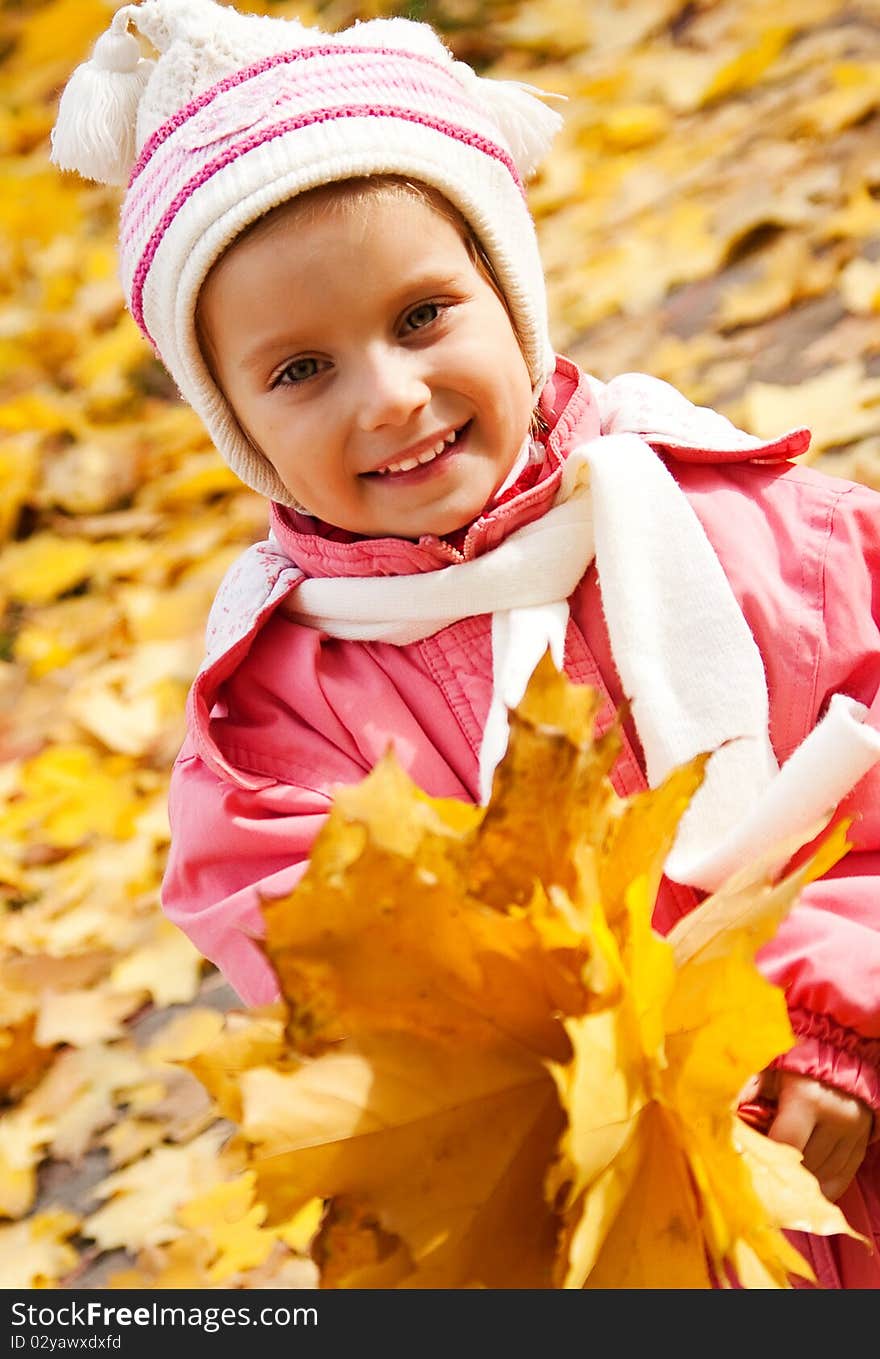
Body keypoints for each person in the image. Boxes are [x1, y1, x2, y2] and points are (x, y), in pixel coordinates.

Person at [51, 0, 880, 1288]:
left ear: (511, 293)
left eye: (425, 315)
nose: (388, 393)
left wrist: (828, 1019)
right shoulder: (279, 722)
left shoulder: (760, 531)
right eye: (300, 371)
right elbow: (358, 988)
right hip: (601, 1223)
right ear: (235, 426)